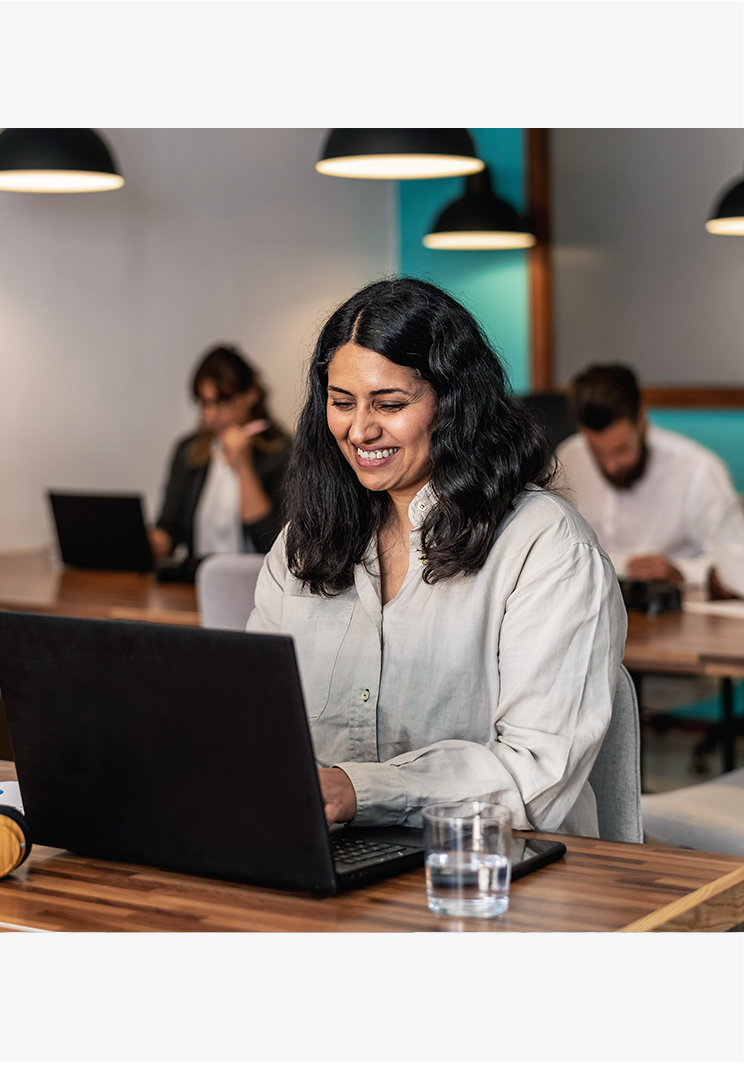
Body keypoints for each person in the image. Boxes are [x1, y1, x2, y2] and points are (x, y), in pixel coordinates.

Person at [247, 278, 626, 837]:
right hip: (332, 858)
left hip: (499, 874)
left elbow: (535, 777)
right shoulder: (304, 540)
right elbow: (256, 722)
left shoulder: (546, 547)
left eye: (390, 404)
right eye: (341, 402)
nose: (360, 430)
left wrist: (360, 791)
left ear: (454, 403)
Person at [557, 363, 744, 593]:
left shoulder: (698, 472)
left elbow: (738, 566)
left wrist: (680, 571)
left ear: (641, 421)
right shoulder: (567, 458)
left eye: (621, 450)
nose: (610, 466)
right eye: (597, 452)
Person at [150, 346, 291, 564]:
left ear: (251, 395)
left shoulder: (283, 453)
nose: (211, 415)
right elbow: (170, 527)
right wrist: (146, 542)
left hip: (255, 585)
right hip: (197, 580)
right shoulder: (188, 450)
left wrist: (243, 467)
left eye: (222, 402)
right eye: (204, 403)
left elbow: (273, 544)